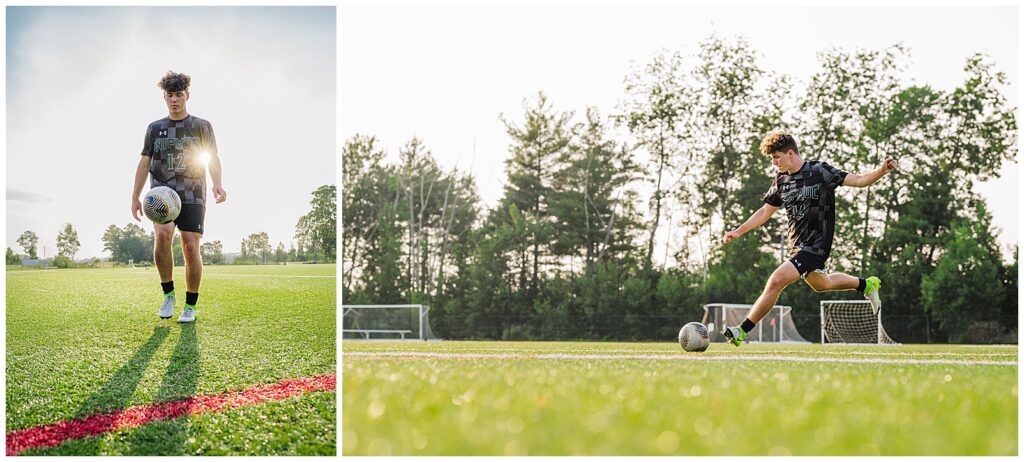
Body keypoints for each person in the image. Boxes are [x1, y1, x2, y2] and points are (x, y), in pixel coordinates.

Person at [721, 131, 896, 346]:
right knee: (822, 284)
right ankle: (866, 285)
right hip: (798, 247)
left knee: (776, 280)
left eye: (776, 157)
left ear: (791, 153)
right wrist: (739, 230)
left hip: (817, 245)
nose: (774, 162)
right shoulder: (781, 180)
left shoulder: (819, 171)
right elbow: (765, 211)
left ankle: (741, 330)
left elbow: (859, 180)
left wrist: (881, 170)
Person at [131, 71, 226, 323]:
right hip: (162, 194)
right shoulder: (154, 128)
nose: (174, 100)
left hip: (193, 192)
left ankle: (190, 306)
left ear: (187, 95)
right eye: (170, 95)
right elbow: (144, 162)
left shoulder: (202, 126)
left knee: (190, 245)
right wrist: (135, 196)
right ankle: (169, 294)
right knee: (162, 236)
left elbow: (212, 157)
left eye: (179, 95)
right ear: (164, 97)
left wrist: (218, 184)